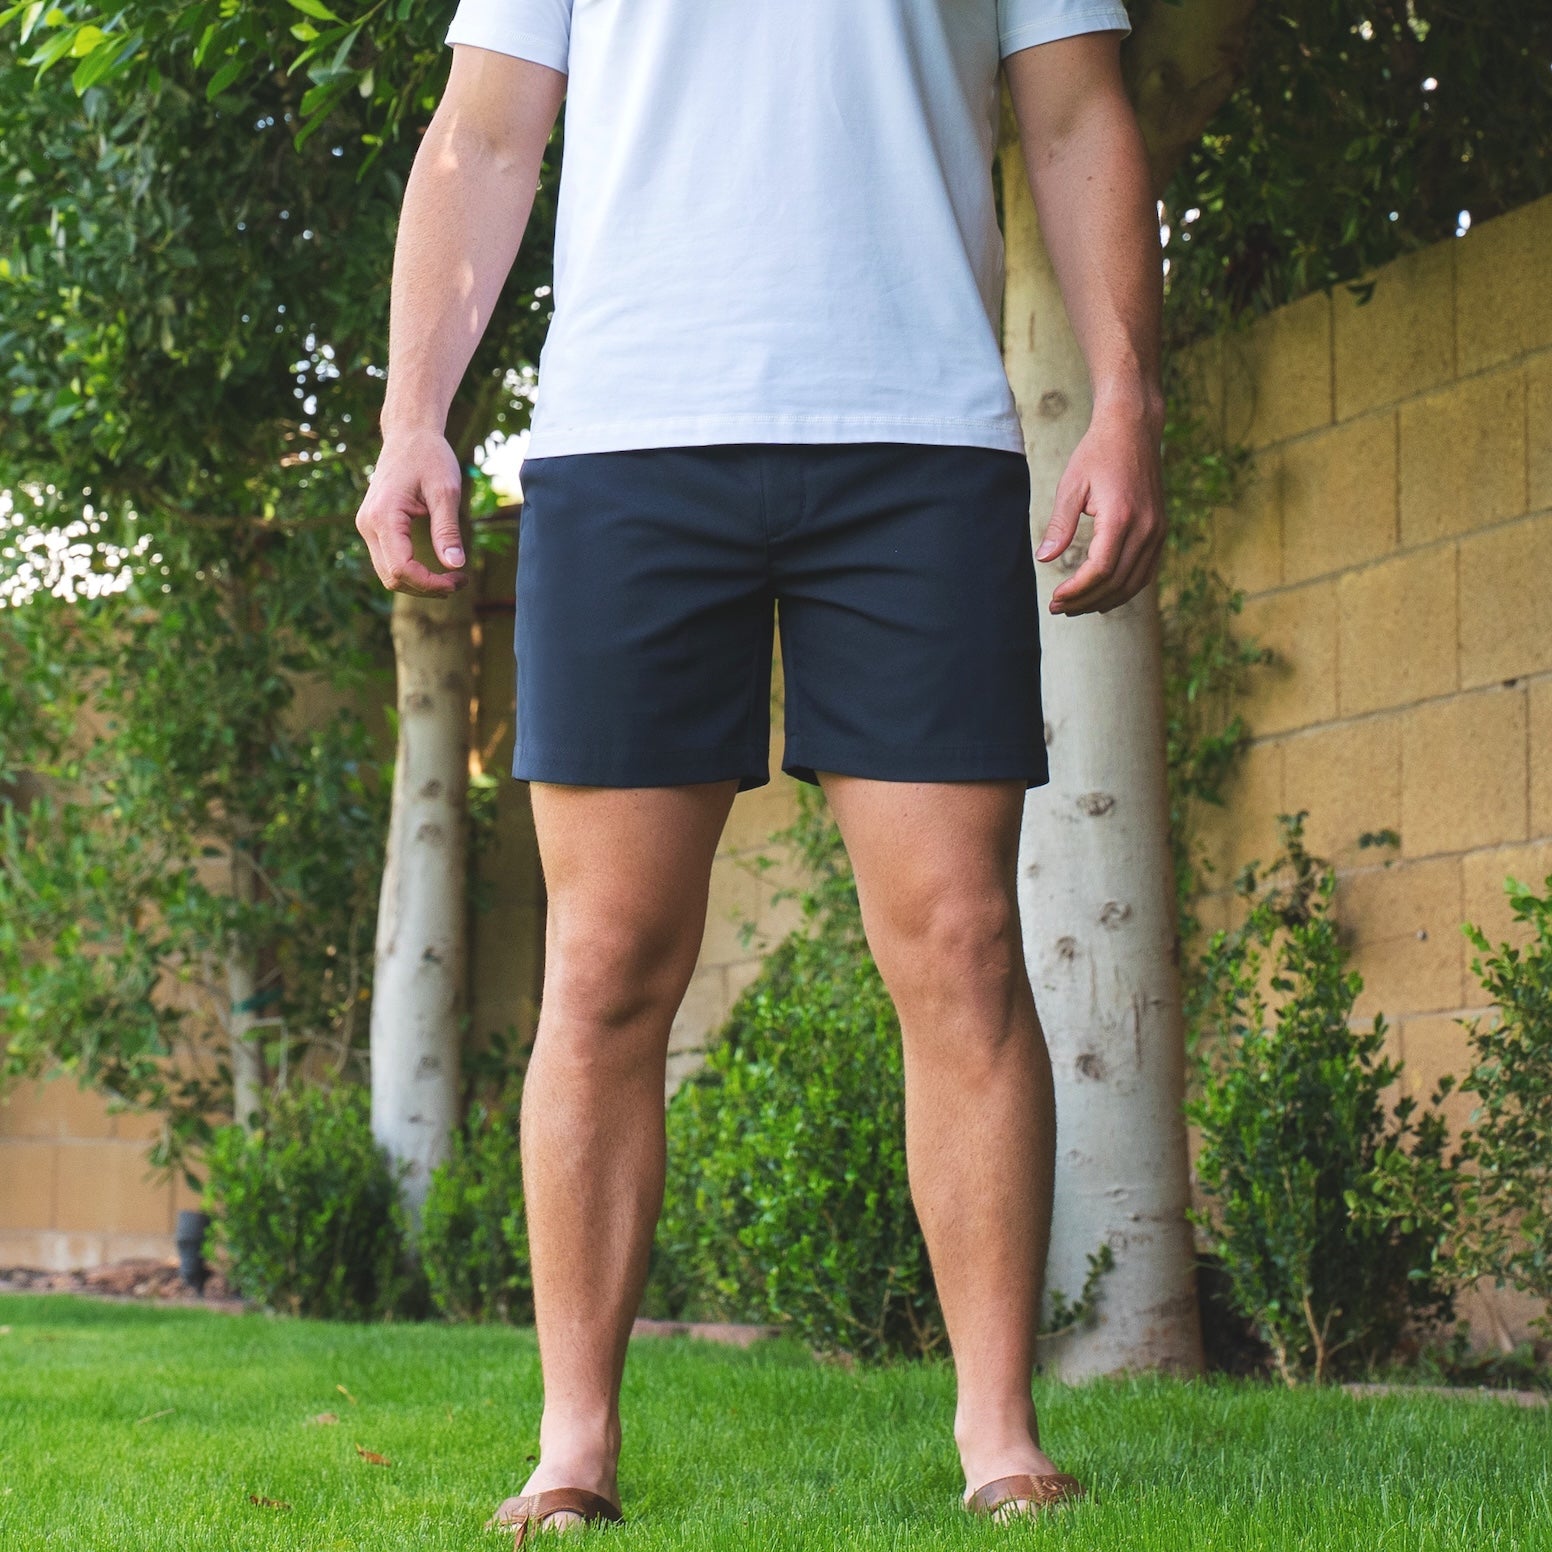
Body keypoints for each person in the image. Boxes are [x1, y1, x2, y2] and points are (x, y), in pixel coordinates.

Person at [355, 0, 1166, 1540]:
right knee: (605, 963)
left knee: (964, 946)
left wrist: (1127, 398)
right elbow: (484, 134)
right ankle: (573, 1447)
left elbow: (1075, 113)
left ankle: (1000, 1433)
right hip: (628, 442)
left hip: (922, 441)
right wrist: (412, 418)